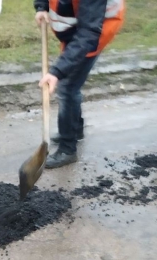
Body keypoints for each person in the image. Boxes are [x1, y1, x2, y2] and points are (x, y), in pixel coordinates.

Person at [34, 0, 125, 168]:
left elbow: (88, 34)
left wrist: (57, 72)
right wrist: (42, 7)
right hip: (76, 30)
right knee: (71, 85)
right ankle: (75, 130)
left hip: (93, 35)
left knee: (68, 87)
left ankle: (68, 149)